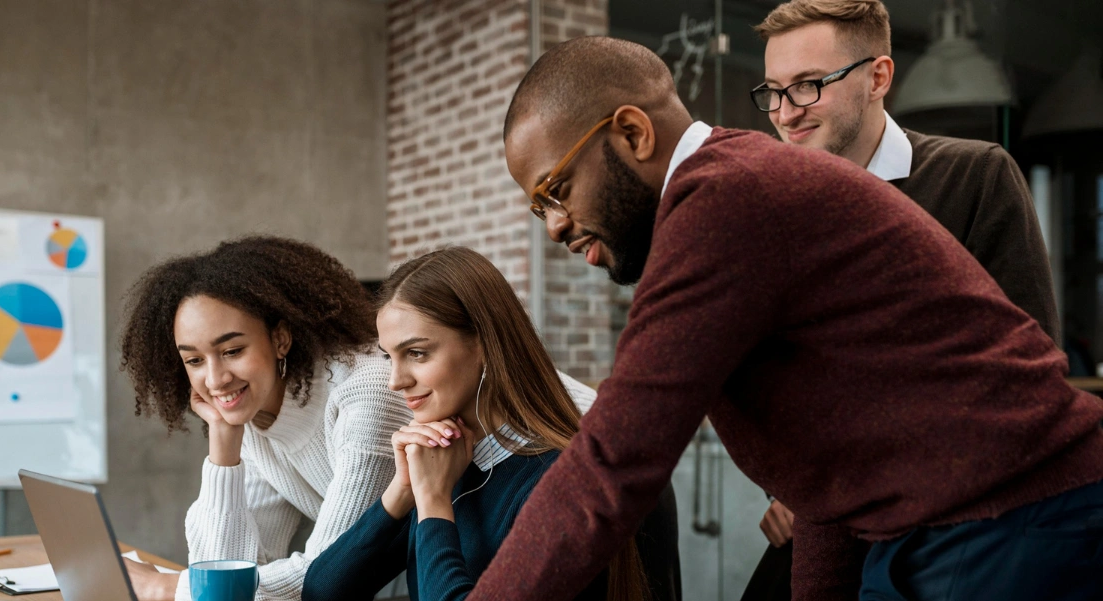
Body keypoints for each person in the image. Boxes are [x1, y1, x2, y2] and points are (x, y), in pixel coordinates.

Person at [462, 35, 1103, 601]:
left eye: (556, 189)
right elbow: (830, 462)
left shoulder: (725, 200)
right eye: (536, 207)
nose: (554, 227)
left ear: (632, 134)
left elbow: (612, 464)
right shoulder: (731, 193)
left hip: (1018, 519)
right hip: (945, 530)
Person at [744, 1, 1062, 596]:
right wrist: (781, 486)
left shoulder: (976, 178)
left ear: (878, 77)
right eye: (774, 91)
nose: (785, 114)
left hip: (949, 539)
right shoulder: (770, 215)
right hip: (818, 534)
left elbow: (1031, 383)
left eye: (809, 86)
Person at [117, 236, 597, 601]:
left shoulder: (533, 473)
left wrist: (173, 588)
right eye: (194, 360)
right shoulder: (439, 448)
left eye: (416, 353)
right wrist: (224, 444)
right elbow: (316, 587)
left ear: (280, 339)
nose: (395, 380)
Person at [302, 246, 680, 601]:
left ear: (483, 343)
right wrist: (404, 489)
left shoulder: (556, 480)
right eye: (390, 357)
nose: (395, 380)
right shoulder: (443, 462)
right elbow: (323, 591)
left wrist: (433, 502)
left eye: (416, 353)